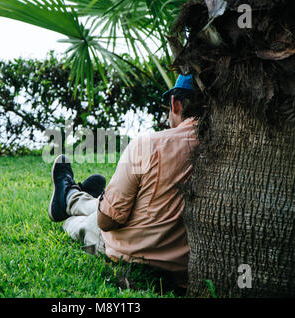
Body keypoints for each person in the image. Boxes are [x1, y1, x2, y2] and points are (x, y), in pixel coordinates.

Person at [48, 74, 199, 289]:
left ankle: (67, 202)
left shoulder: (149, 144)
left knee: (78, 223)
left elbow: (107, 221)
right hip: (183, 268)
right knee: (111, 201)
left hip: (129, 253)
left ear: (175, 104)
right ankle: (74, 195)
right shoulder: (232, 153)